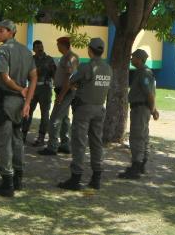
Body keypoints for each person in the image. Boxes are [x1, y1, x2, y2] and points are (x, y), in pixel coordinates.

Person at [0, 20, 37, 198]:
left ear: (11, 32)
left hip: (6, 100)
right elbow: (34, 77)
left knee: (5, 142)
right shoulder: (26, 51)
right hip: (20, 104)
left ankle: (7, 182)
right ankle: (18, 178)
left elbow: (4, 76)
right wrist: (27, 101)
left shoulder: (2, 50)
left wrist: (19, 89)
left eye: (1, 31)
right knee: (18, 140)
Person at [58, 38, 111, 190]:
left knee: (79, 143)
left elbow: (71, 81)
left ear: (89, 49)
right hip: (99, 108)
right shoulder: (108, 68)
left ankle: (76, 178)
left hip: (84, 109)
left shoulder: (87, 67)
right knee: (96, 143)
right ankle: (97, 177)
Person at [118, 49, 159, 179]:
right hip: (141, 108)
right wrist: (153, 109)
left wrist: (153, 110)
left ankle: (136, 167)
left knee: (137, 137)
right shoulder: (142, 72)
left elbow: (149, 94)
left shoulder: (144, 73)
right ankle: (140, 165)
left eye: (133, 57)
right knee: (143, 136)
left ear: (140, 59)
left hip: (141, 108)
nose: (131, 59)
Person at [38, 37, 79, 156]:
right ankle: (65, 144)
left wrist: (61, 95)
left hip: (65, 91)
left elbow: (68, 78)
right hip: (64, 90)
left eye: (58, 45)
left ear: (64, 45)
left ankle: (52, 146)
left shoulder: (70, 57)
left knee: (55, 118)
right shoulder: (67, 57)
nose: (57, 47)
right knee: (65, 118)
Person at [22, 40, 57, 145]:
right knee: (27, 111)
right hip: (33, 88)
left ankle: (41, 137)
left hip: (45, 89)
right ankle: (23, 134)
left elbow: (55, 75)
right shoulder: (30, 60)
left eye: (41, 46)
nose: (40, 48)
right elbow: (26, 74)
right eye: (37, 47)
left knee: (45, 114)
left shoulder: (49, 60)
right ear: (33, 49)